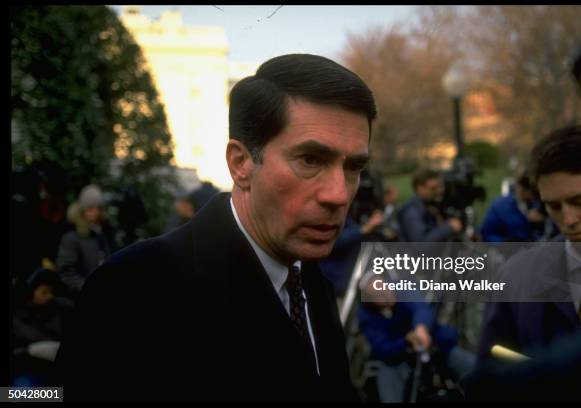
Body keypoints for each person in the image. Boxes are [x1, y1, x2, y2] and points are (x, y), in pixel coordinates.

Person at [55, 54, 377, 402]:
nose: (339, 194)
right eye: (311, 160)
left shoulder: (311, 283)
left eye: (353, 167)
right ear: (240, 164)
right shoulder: (134, 288)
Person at [476, 125, 581, 375]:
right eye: (553, 206)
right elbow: (489, 376)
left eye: (580, 201)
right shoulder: (515, 277)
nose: (569, 219)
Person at [358, 276, 475, 402]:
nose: (384, 294)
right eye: (376, 294)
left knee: (474, 368)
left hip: (435, 346)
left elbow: (420, 307)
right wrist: (406, 341)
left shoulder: (402, 287)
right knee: (388, 383)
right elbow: (382, 347)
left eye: (383, 287)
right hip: (399, 359)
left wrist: (421, 328)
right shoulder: (366, 316)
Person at [55, 184, 119, 299]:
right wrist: (89, 289)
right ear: (82, 210)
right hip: (80, 299)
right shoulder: (72, 237)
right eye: (90, 208)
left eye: (98, 208)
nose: (95, 212)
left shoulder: (104, 234)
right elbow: (66, 273)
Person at [397, 168, 463, 242]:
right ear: (420, 188)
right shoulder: (411, 212)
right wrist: (449, 227)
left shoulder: (430, 205)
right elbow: (421, 245)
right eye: (433, 188)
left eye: (440, 187)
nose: (439, 191)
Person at [480, 171, 546, 242]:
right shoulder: (500, 205)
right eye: (527, 189)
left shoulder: (536, 203)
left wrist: (542, 219)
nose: (530, 195)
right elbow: (487, 233)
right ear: (519, 187)